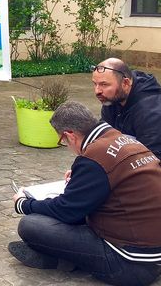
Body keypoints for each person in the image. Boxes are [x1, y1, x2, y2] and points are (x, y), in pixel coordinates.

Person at [9, 101, 161, 286]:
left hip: (129, 264)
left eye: (62, 141)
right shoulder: (124, 140)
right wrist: (82, 177)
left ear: (69, 136)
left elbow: (67, 211)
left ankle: (62, 259)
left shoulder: (93, 158)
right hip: (151, 250)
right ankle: (63, 260)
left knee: (31, 225)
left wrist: (24, 204)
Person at [91, 57, 161, 158]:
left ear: (126, 83)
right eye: (95, 84)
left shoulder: (150, 112)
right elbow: (103, 139)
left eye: (104, 84)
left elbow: (153, 162)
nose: (97, 91)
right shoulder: (112, 100)